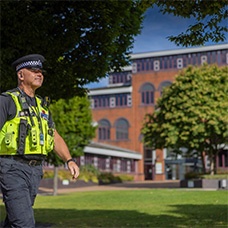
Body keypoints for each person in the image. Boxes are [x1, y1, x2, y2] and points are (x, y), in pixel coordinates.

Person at [0, 54, 80, 228]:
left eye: (41, 72)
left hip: (35, 171)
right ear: (21, 75)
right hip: (13, 168)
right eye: (34, 71)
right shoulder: (7, 100)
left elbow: (54, 135)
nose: (40, 74)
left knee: (14, 221)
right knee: (24, 223)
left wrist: (69, 160)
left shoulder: (42, 106)